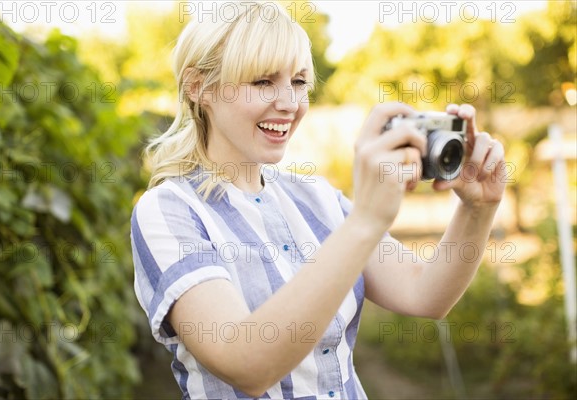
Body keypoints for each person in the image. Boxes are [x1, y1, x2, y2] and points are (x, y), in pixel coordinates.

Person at [130, 2, 506, 399]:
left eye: (298, 82)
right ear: (197, 86)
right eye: (262, 82)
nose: (290, 103)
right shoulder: (168, 212)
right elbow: (246, 362)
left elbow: (425, 293)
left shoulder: (316, 197)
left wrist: (477, 209)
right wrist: (365, 221)